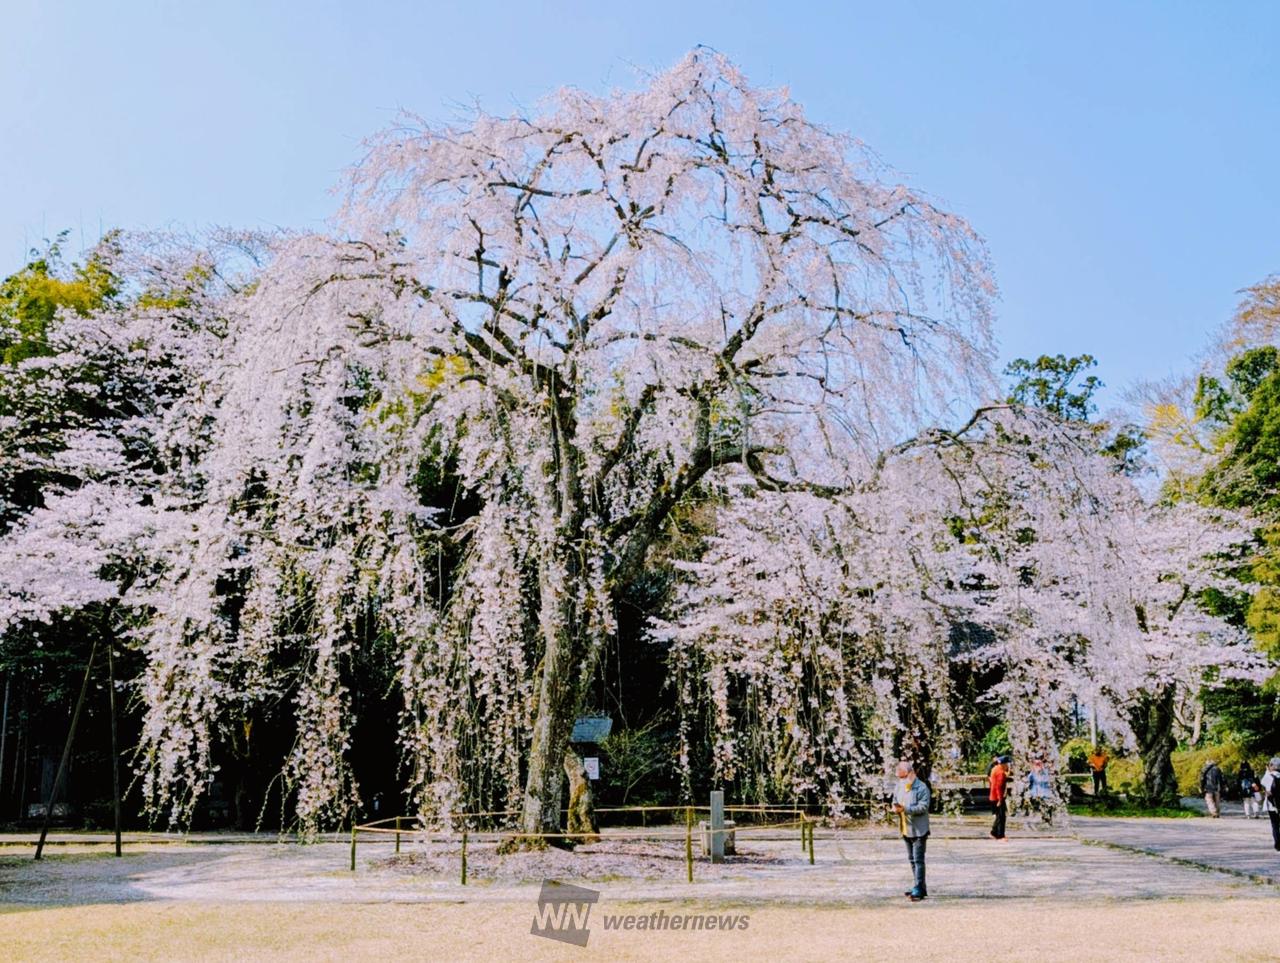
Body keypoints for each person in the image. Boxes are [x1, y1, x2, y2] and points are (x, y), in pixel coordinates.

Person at [892, 758, 931, 901]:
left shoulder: (921, 787)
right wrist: (895, 808)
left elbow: (923, 807)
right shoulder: (899, 786)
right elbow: (895, 800)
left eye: (902, 776)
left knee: (918, 860)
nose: (901, 779)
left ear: (909, 773)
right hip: (905, 828)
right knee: (912, 860)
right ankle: (919, 886)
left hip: (919, 830)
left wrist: (905, 809)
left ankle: (919, 888)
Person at [1027, 757, 1054, 825]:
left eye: (1039, 764)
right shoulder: (1032, 774)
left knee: (1048, 809)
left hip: (1046, 795)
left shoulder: (1046, 772)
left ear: (1042, 764)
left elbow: (1049, 781)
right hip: (1036, 795)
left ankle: (1048, 821)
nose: (1038, 765)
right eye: (1036, 764)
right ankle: (1040, 820)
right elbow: (1028, 782)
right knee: (1038, 809)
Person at [989, 755, 1009, 840]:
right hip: (998, 797)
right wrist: (1000, 800)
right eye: (1007, 764)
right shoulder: (1001, 773)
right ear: (1003, 764)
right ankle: (1000, 835)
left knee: (998, 816)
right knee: (1001, 816)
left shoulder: (994, 769)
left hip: (993, 796)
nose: (1008, 766)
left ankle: (994, 832)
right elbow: (999, 787)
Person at [1262, 758, 1280, 850]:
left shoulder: (1268, 776)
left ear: (1272, 766)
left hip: (1272, 804)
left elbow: (1262, 783)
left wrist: (1267, 772)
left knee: (1275, 824)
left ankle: (1278, 843)